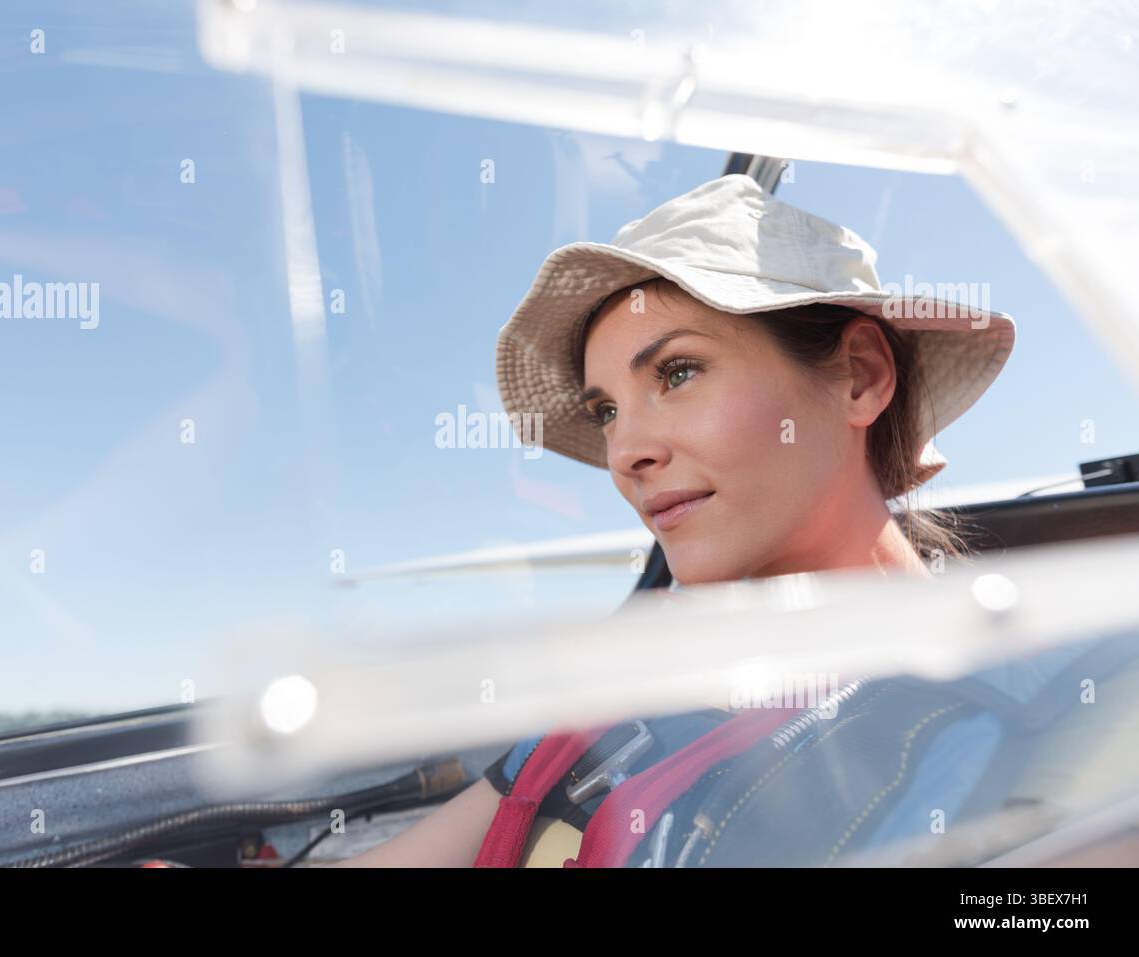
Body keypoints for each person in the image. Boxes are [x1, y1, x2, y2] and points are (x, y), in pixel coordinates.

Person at [333, 174, 1016, 867]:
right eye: (607, 412)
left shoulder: (999, 726)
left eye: (678, 372)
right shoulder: (614, 705)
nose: (626, 453)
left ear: (860, 376)